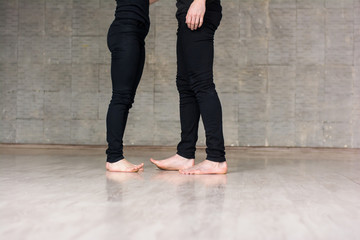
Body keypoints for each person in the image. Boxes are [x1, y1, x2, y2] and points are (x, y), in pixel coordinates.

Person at [150, 0, 227, 174]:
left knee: (202, 84)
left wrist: (199, 1)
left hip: (198, 10)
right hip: (187, 12)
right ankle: (185, 155)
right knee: (185, 85)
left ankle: (216, 158)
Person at [105, 0, 155, 172]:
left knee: (126, 99)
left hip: (136, 34)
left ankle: (115, 156)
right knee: (120, 97)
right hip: (125, 30)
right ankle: (114, 158)